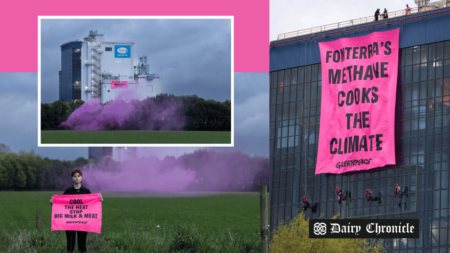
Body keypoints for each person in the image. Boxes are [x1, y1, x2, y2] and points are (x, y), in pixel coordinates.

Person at [50, 169, 103, 253]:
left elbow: (92, 204)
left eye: (78, 176)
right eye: (74, 176)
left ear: (81, 178)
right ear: (72, 179)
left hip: (83, 222)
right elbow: (61, 204)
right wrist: (53, 202)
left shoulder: (86, 192)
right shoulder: (68, 192)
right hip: (70, 222)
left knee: (82, 247)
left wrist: (98, 200)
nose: (77, 178)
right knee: (70, 247)